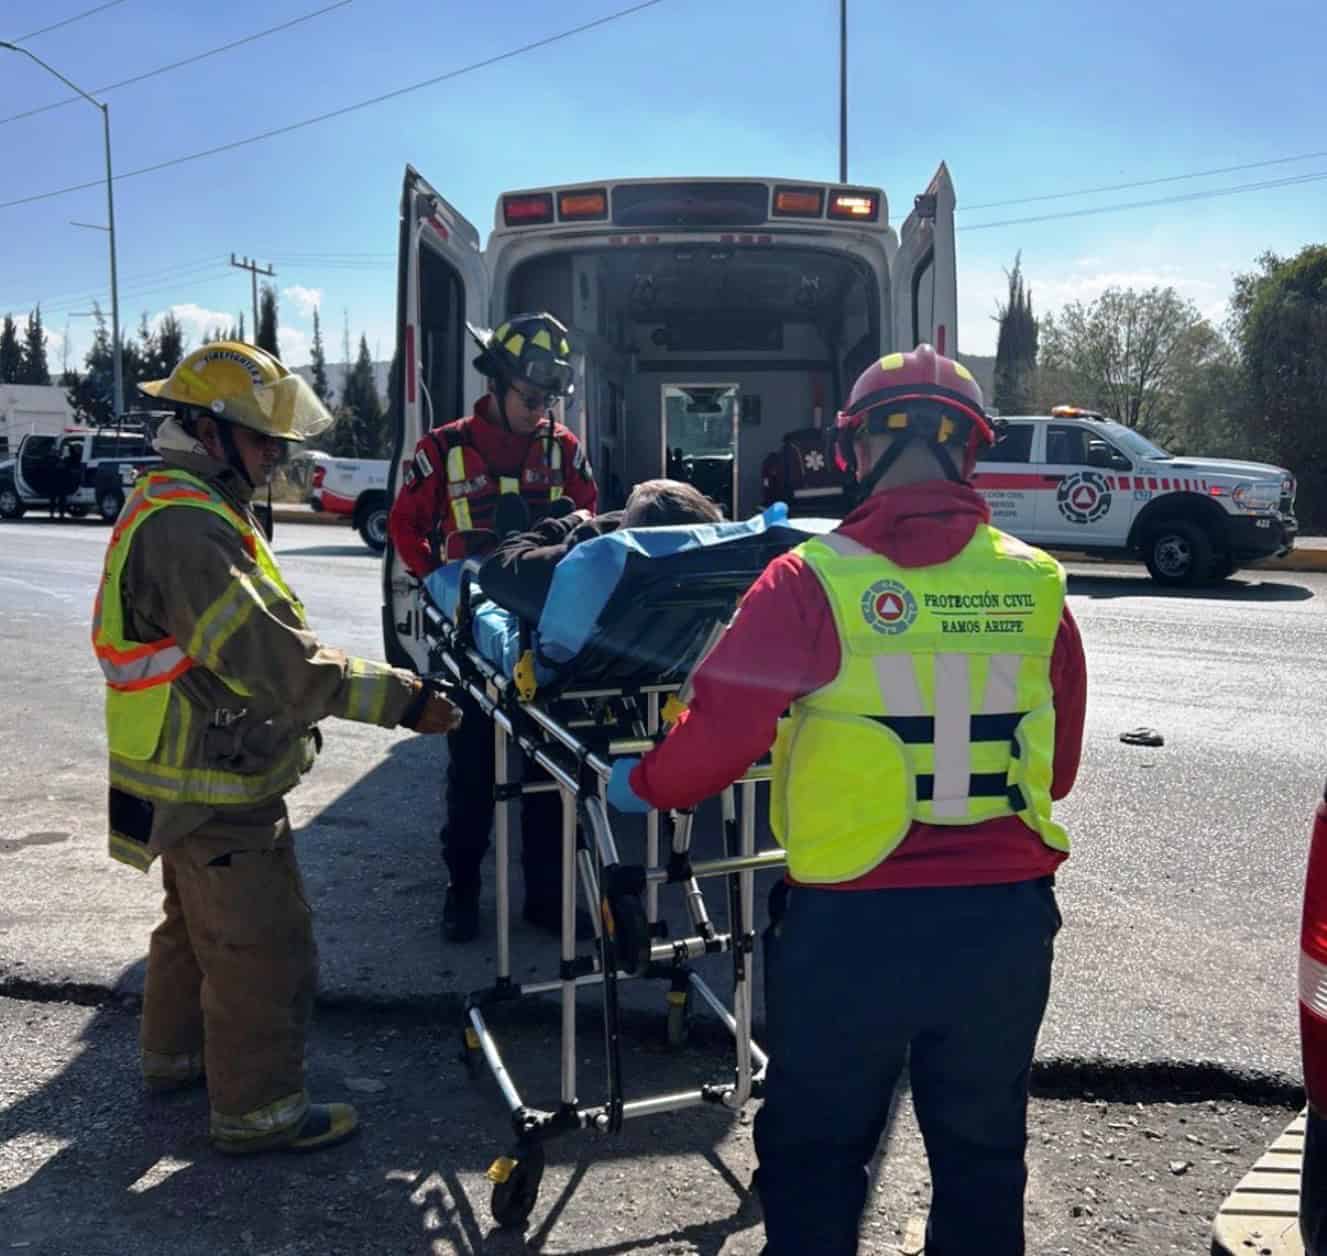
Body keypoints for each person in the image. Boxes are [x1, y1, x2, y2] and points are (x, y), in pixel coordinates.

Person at [606, 344, 1087, 1255]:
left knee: (817, 1151)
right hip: (1004, 923)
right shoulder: (1036, 584)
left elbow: (716, 741)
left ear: (856, 450)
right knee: (982, 1151)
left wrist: (641, 783)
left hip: (853, 927)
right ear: (970, 451)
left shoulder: (809, 579)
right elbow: (1054, 772)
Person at [93, 341, 461, 1156]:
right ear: (208, 430)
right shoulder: (189, 526)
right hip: (212, 778)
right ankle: (258, 1112)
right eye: (263, 440)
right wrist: (405, 700)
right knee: (261, 947)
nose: (275, 458)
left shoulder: (184, 500)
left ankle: (174, 1059)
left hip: (181, 772)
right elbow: (278, 663)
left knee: (193, 928)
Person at [388, 313, 598, 943]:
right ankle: (462, 891)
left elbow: (590, 517)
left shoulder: (563, 449)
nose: (540, 412)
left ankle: (546, 900)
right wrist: (440, 583)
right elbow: (405, 526)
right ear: (499, 382)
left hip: (542, 628)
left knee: (550, 774)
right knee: (472, 773)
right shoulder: (442, 450)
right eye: (530, 398)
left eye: (548, 401)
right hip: (471, 634)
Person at [478, 478, 723, 624]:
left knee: (486, 592)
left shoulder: (590, 567)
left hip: (566, 643)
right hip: (652, 656)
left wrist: (565, 524)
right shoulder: (707, 581)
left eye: (625, 515)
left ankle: (516, 534)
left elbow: (493, 572)